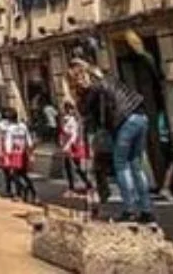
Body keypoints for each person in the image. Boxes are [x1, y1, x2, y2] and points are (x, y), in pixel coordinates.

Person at [69, 54, 155, 225]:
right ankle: (147, 210)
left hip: (124, 121)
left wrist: (74, 96)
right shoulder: (107, 77)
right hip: (140, 116)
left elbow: (84, 112)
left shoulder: (93, 88)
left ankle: (130, 209)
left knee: (121, 164)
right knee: (136, 164)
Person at [3, 108, 36, 204]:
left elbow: (8, 142)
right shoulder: (23, 126)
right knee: (23, 174)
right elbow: (29, 140)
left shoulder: (10, 129)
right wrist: (30, 151)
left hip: (14, 153)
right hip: (23, 152)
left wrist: (7, 154)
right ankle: (33, 192)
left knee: (14, 174)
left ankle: (19, 193)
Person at [59, 99, 90, 197]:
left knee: (76, 167)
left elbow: (74, 134)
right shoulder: (65, 119)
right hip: (68, 145)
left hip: (73, 146)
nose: (67, 110)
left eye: (69, 108)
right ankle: (73, 187)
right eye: (66, 108)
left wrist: (68, 145)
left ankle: (88, 184)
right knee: (69, 166)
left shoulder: (74, 120)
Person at [155, 107, 173, 202]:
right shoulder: (168, 114)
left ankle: (166, 187)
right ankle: (166, 187)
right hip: (168, 139)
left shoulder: (161, 114)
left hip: (163, 139)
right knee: (172, 163)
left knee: (170, 164)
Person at [0, 110, 14, 199]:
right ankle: (16, 190)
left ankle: (9, 190)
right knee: (14, 170)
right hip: (15, 149)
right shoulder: (14, 125)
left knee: (6, 171)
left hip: (5, 149)